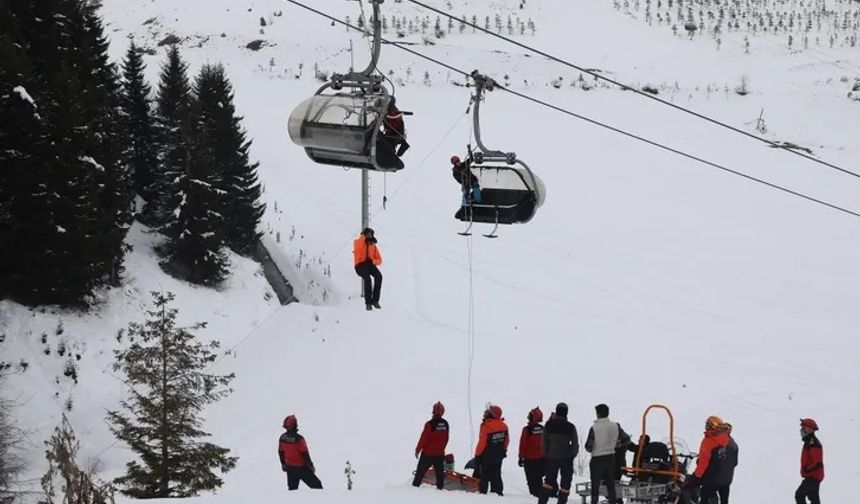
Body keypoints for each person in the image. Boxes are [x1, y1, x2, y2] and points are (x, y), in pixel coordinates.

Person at [584, 404, 630, 504]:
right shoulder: (615, 426)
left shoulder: (594, 428)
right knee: (611, 485)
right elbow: (627, 439)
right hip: (610, 458)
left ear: (598, 414)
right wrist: (618, 444)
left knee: (595, 486)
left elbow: (589, 447)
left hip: (597, 459)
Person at [683, 415, 730, 504]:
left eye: (708, 425)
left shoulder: (710, 442)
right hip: (718, 474)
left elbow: (703, 463)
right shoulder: (724, 439)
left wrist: (695, 477)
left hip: (707, 475)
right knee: (709, 494)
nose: (706, 427)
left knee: (686, 488)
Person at [538, 402, 578, 504]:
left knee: (548, 482)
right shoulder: (571, 427)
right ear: (566, 413)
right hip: (566, 459)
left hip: (552, 457)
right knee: (565, 485)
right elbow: (575, 445)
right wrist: (572, 455)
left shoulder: (548, 425)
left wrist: (546, 453)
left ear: (556, 411)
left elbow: (543, 442)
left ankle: (542, 502)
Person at [277, 415, 323, 490]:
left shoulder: (282, 438)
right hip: (301, 468)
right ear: (295, 425)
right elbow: (304, 453)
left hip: (290, 468)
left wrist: (283, 464)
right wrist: (311, 465)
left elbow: (280, 452)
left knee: (292, 489)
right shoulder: (299, 439)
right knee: (317, 486)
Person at [413, 401, 450, 490]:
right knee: (439, 474)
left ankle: (414, 489)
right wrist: (441, 449)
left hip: (427, 454)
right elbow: (446, 439)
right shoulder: (446, 424)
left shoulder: (429, 424)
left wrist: (417, 450)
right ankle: (440, 490)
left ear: (433, 412)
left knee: (420, 473)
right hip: (439, 454)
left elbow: (423, 439)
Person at [474, 404, 509, 495]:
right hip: (498, 455)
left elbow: (482, 442)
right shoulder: (504, 426)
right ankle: (498, 493)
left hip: (486, 455)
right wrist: (503, 450)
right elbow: (507, 440)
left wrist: (477, 455)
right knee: (496, 474)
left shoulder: (486, 426)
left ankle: (483, 493)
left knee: (484, 475)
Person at [353, 227, 382, 310]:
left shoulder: (373, 246)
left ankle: (375, 300)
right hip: (360, 265)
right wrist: (364, 236)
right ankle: (368, 302)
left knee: (379, 277)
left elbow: (380, 260)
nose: (370, 236)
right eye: (368, 234)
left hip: (370, 264)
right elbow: (359, 246)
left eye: (371, 234)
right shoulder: (358, 242)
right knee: (368, 279)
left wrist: (373, 261)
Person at [519, 407, 546, 497]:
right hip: (542, 459)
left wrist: (520, 457)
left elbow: (523, 444)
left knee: (531, 481)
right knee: (539, 480)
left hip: (529, 459)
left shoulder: (527, 430)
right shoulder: (543, 429)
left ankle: (534, 498)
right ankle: (541, 496)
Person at [796, 418, 823, 504]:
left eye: (803, 428)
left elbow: (817, 462)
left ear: (810, 429)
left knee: (799, 495)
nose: (801, 430)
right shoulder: (809, 441)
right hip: (813, 477)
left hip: (813, 477)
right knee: (813, 498)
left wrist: (807, 469)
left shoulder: (813, 443)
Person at [715, 422, 739, 504]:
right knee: (724, 500)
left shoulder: (718, 442)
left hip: (715, 477)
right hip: (727, 479)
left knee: (708, 497)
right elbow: (735, 463)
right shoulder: (734, 445)